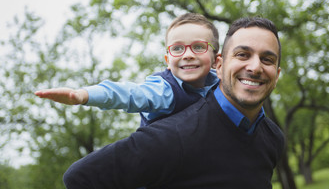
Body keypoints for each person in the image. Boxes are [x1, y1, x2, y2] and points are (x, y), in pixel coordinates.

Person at [63, 17, 285, 189]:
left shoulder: (272, 137)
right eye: (243, 54)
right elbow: (81, 178)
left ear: (276, 74)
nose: (255, 67)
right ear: (220, 65)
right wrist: (84, 95)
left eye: (267, 59)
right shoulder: (174, 134)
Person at [35, 13, 220, 126]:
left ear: (215, 59)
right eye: (177, 48)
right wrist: (83, 95)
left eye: (198, 47)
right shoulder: (163, 90)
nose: (187, 54)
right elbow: (128, 93)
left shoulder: (222, 85)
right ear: (167, 61)